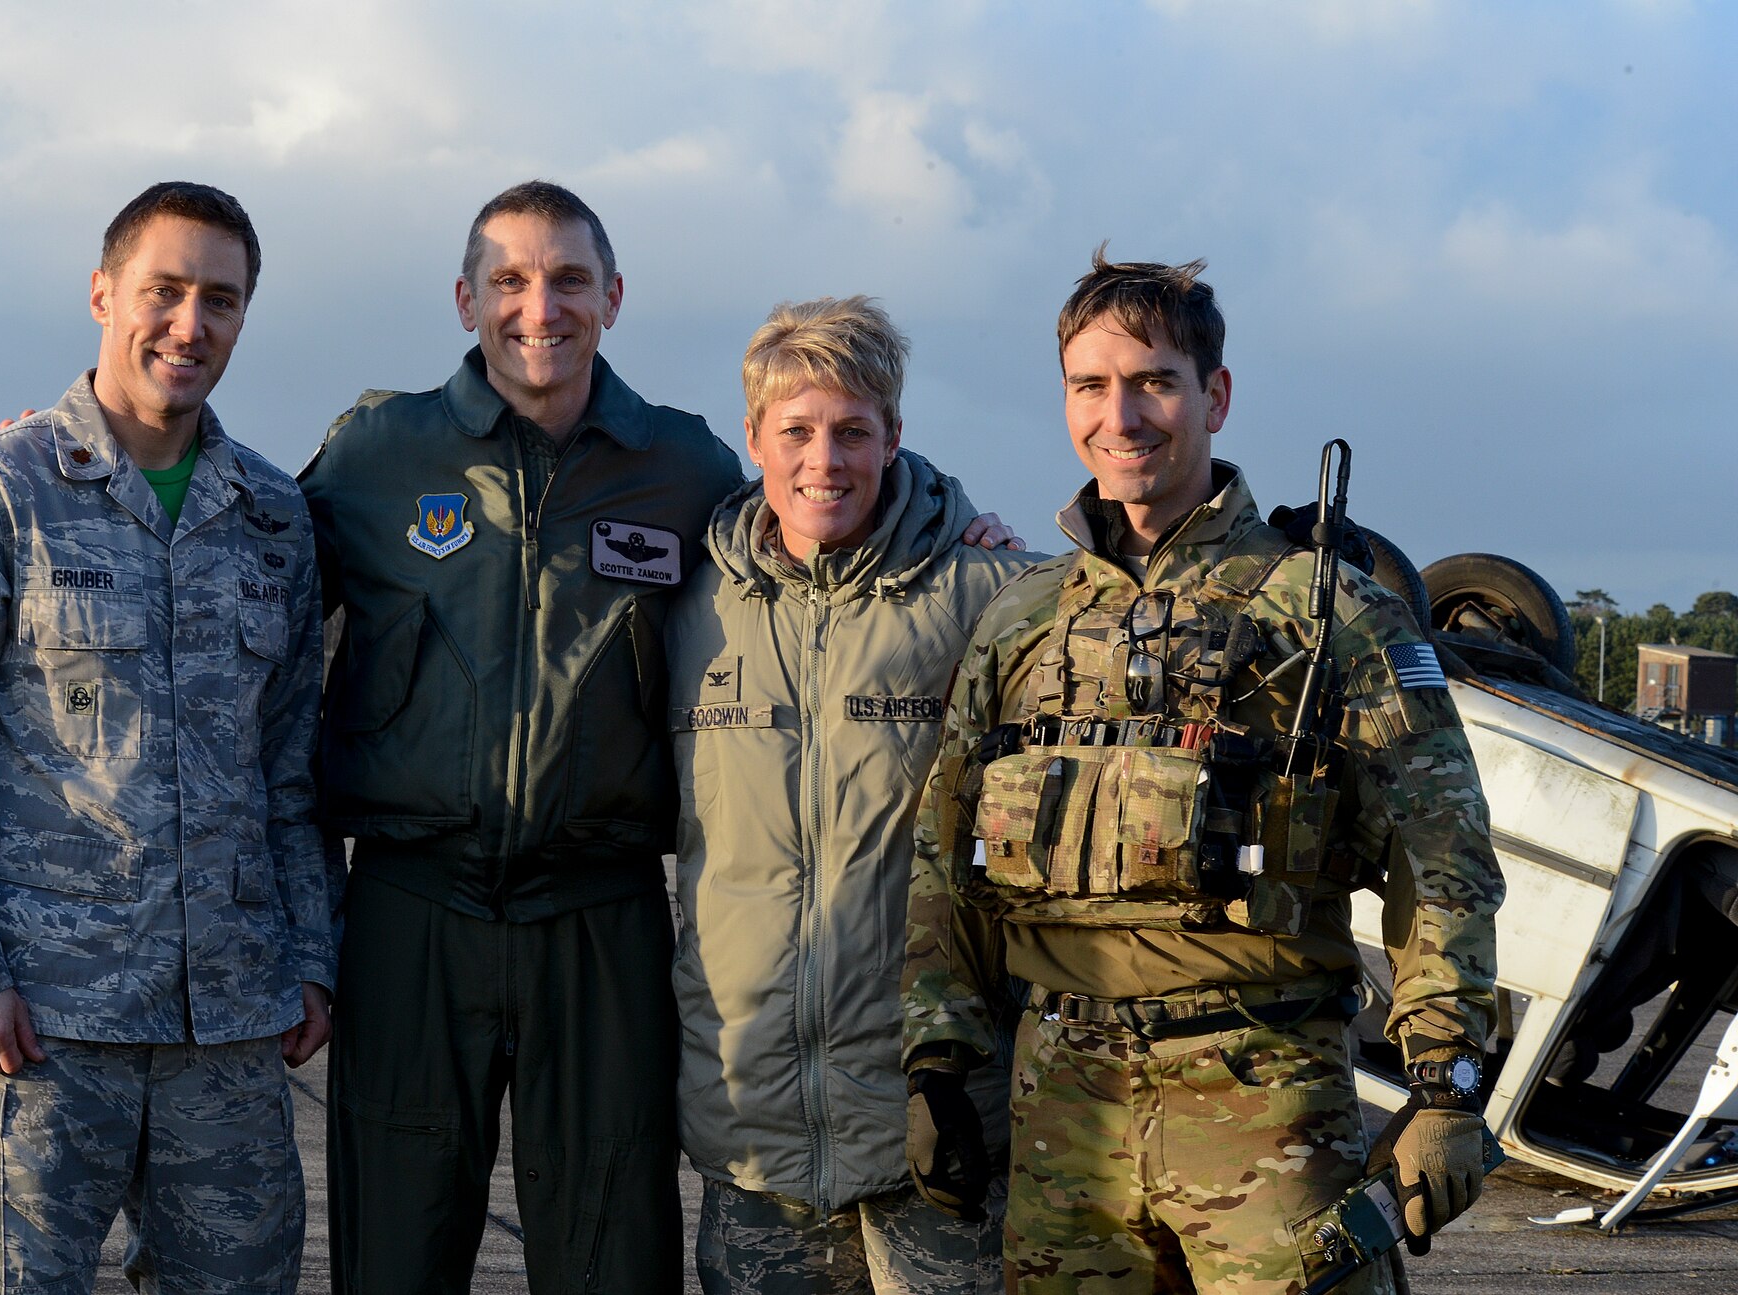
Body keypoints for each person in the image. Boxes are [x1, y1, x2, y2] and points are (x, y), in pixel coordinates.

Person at [300, 183, 1018, 1294]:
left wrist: (955, 514)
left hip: (596, 910)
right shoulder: (375, 452)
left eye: (569, 278)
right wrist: (98, 457)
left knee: (609, 1254)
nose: (540, 306)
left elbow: (831, 510)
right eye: (509, 280)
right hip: (413, 906)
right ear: (464, 300)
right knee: (393, 1251)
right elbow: (246, 551)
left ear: (613, 296)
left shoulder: (679, 468)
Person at [901, 251, 1505, 1293]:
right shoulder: (1021, 620)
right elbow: (942, 858)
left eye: (1152, 381)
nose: (1120, 416)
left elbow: (1439, 855)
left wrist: (1443, 1086)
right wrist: (938, 1060)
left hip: (1264, 1102)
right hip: (1061, 1111)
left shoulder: (1324, 615)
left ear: (1213, 395)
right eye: (1089, 385)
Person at [0, 180, 337, 1295]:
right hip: (31, 1028)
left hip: (227, 1033)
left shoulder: (271, 515)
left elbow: (291, 769)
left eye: (220, 299)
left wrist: (309, 956)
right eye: (163, 290)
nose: (188, 323)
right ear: (101, 292)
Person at [666, 296, 1037, 1294]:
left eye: (850, 431)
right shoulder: (686, 608)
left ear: (893, 438)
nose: (821, 459)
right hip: (751, 1128)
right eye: (794, 430)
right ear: (752, 437)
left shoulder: (984, 591)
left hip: (930, 1117)